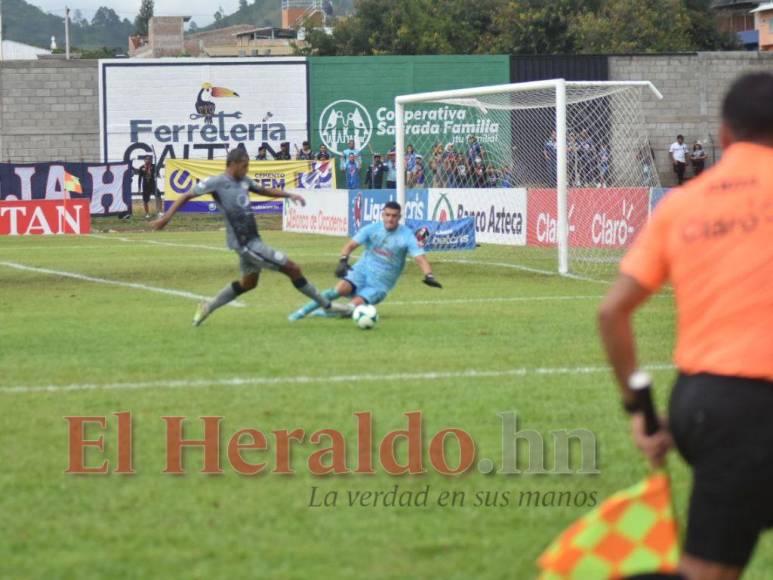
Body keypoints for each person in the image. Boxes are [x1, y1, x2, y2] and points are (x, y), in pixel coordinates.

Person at [597, 72, 773, 580]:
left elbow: (612, 312)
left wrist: (641, 411)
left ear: (723, 135)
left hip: (712, 408)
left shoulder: (683, 204)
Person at [151, 149, 341, 326]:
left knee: (248, 283)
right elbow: (186, 195)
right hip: (245, 243)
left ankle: (207, 307)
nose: (246, 169)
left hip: (252, 240)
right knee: (292, 268)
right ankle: (328, 306)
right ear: (232, 164)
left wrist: (289, 194)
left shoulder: (244, 181)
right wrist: (166, 218)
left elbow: (264, 190)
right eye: (244, 166)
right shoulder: (216, 182)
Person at [288, 201, 442, 321]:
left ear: (399, 217)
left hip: (380, 283)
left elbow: (420, 258)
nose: (390, 219)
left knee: (351, 308)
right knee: (339, 290)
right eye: (387, 215)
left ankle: (322, 313)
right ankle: (301, 313)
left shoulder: (407, 235)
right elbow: (351, 245)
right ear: (382, 215)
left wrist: (429, 275)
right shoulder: (372, 229)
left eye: (394, 216)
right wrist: (343, 261)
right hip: (362, 270)